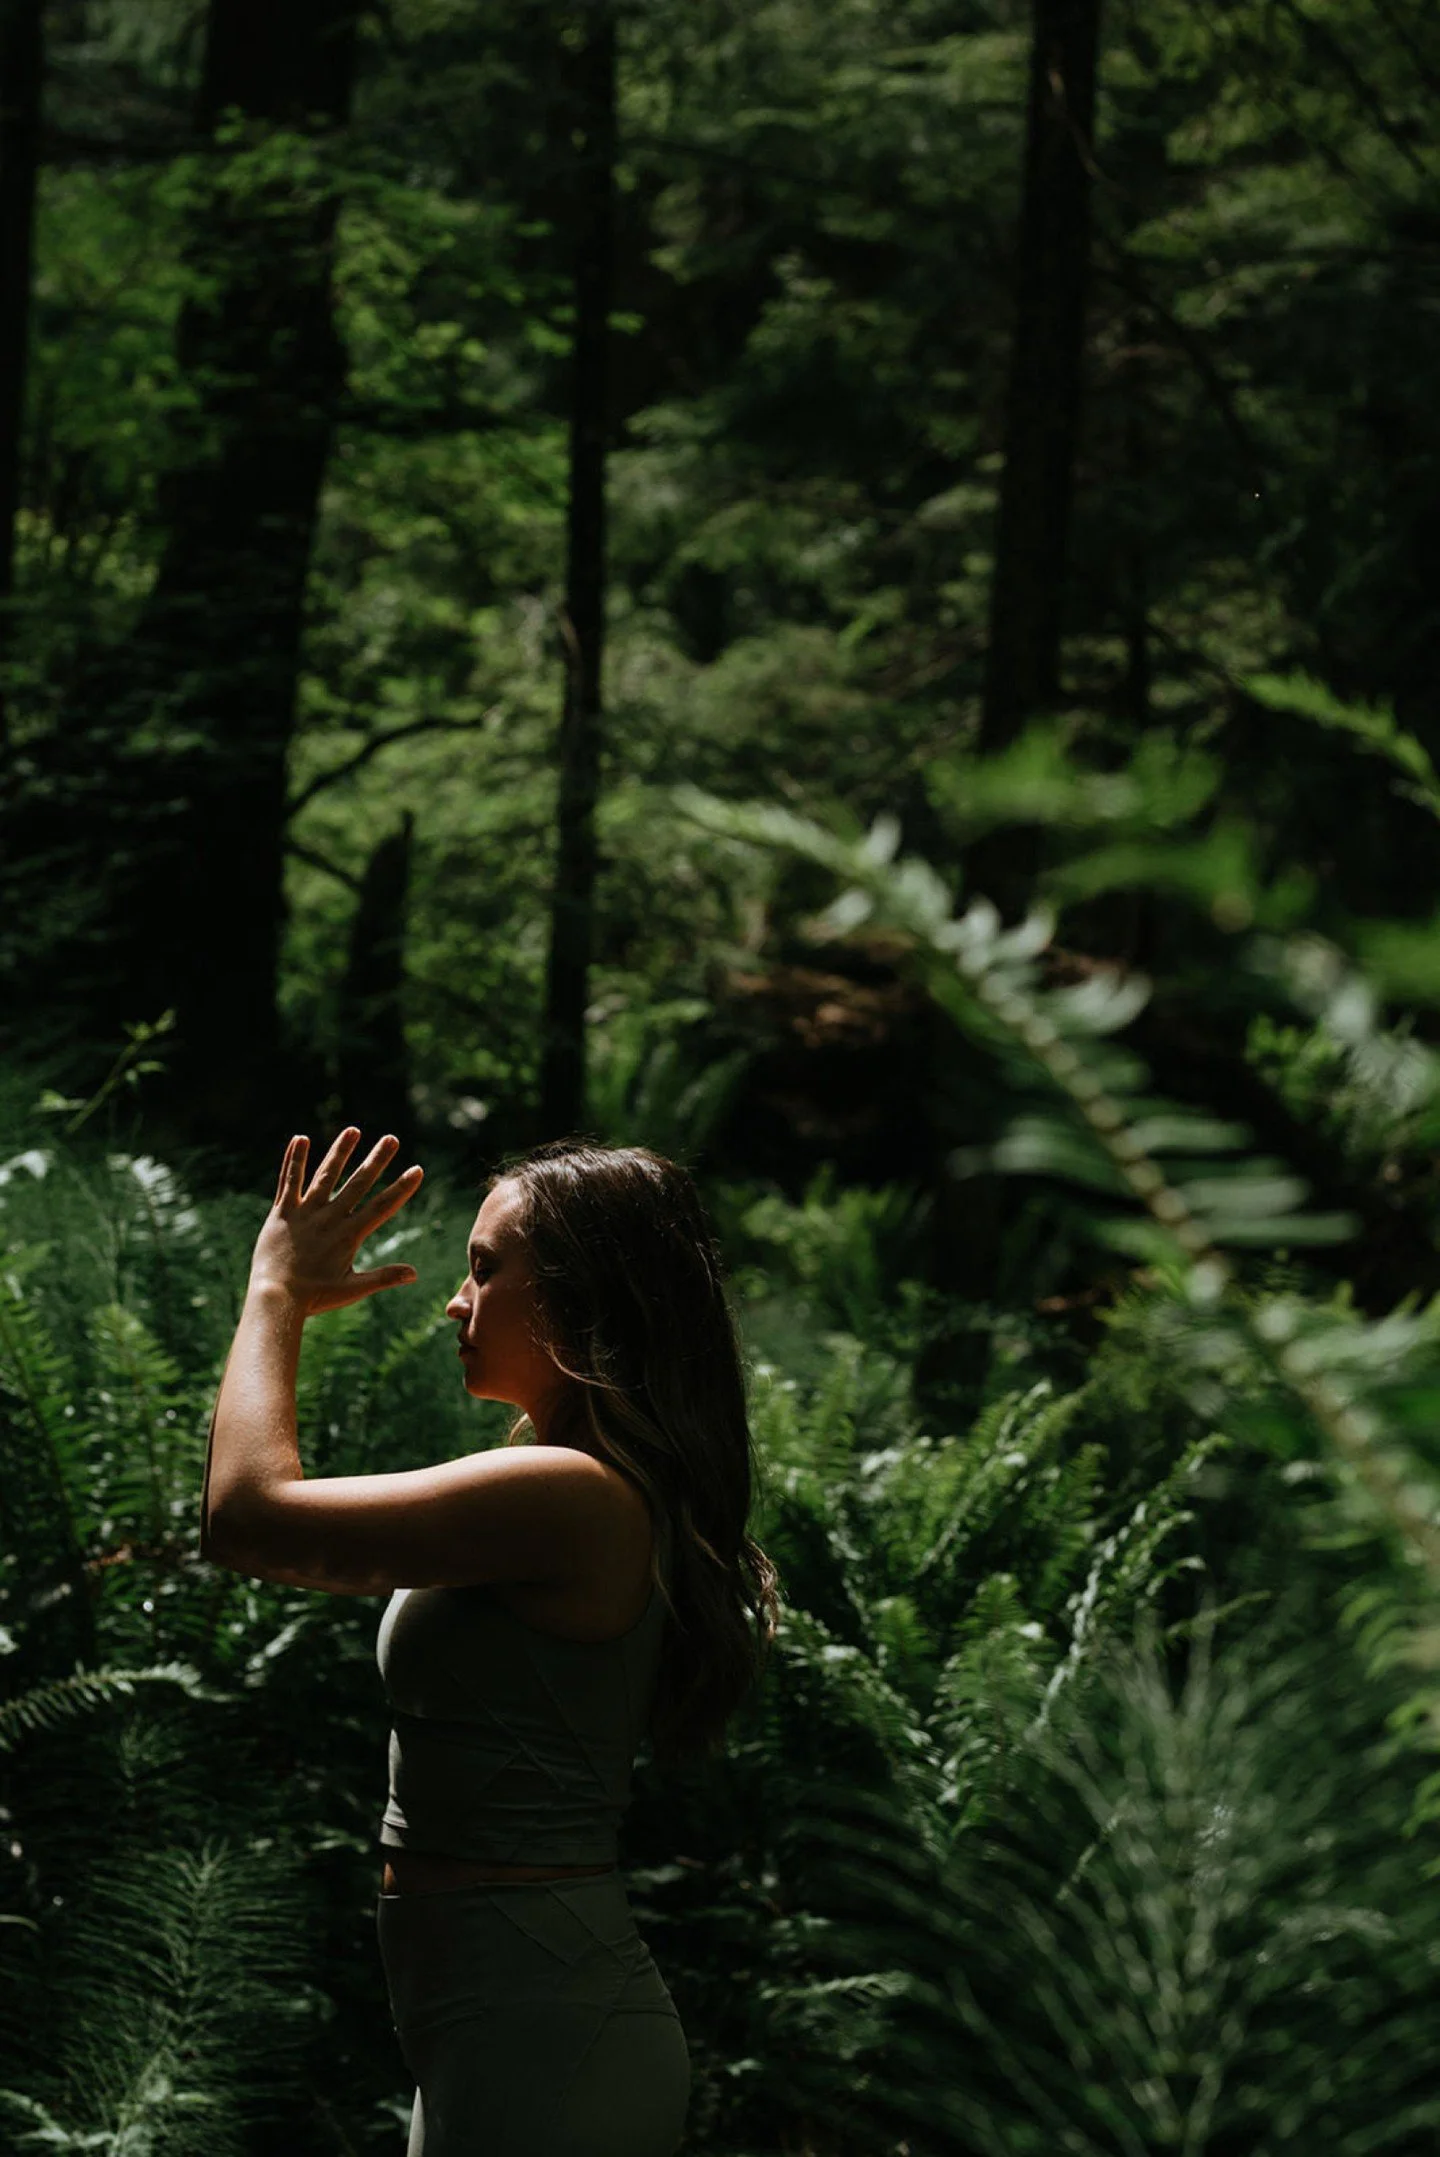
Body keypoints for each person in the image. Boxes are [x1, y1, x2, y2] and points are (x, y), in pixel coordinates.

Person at [200, 1126, 780, 2157]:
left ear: (578, 1294)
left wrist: (275, 1294)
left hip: (549, 2037)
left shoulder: (570, 1496)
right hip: (494, 2028)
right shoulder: (572, 1489)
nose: (456, 1303)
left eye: (483, 1269)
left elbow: (250, 1516)